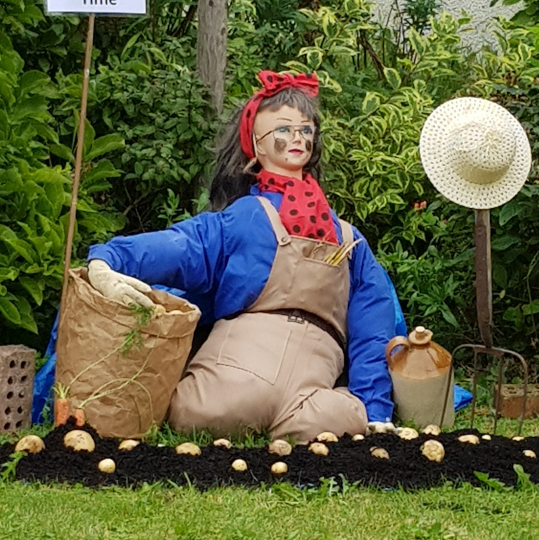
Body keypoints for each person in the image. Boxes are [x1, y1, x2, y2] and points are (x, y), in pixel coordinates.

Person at [85, 70, 401, 442]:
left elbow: (373, 322)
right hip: (236, 374)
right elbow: (183, 247)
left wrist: (375, 406)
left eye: (305, 130)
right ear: (257, 146)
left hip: (309, 395)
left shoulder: (349, 239)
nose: (296, 138)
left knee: (341, 419)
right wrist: (112, 258)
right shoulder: (247, 217)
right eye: (282, 130)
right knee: (205, 409)